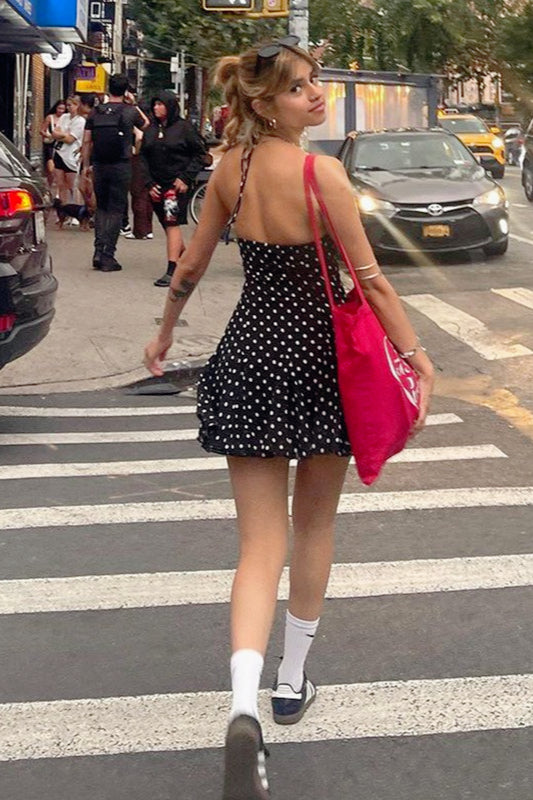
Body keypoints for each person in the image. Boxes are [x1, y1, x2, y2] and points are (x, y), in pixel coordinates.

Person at [143, 37, 434, 799]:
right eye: (300, 87)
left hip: (249, 355)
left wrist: (165, 333)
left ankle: (242, 705)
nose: (315, 95)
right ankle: (290, 681)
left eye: (314, 83)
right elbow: (369, 282)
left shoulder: (229, 173)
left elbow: (191, 265)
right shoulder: (320, 174)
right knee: (313, 527)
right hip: (321, 362)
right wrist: (416, 357)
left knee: (256, 544)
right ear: (265, 103)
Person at [139, 90, 208, 286]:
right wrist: (148, 182)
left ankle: (173, 268)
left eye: (160, 104)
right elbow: (143, 156)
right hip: (156, 184)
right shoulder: (151, 130)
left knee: (172, 222)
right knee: (166, 223)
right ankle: (186, 258)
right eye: (155, 104)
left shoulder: (184, 128)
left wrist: (186, 177)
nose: (156, 108)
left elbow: (200, 154)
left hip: (176, 186)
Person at [81, 74, 147, 273]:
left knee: (101, 208)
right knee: (116, 210)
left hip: (100, 165)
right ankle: (108, 255)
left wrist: (86, 166)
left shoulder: (95, 112)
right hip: (121, 164)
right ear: (125, 91)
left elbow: (86, 141)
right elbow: (145, 126)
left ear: (109, 88)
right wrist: (133, 104)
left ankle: (97, 251)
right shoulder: (129, 111)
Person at [50, 96, 85, 205]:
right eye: (67, 105)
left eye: (70, 105)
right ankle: (64, 208)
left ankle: (75, 207)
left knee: (72, 185)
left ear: (77, 105)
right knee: (60, 184)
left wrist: (61, 135)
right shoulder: (64, 117)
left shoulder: (80, 121)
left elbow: (70, 139)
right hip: (59, 153)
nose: (68, 107)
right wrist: (64, 134)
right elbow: (54, 133)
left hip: (71, 155)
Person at [40, 99, 66, 191]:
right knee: (50, 167)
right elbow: (41, 130)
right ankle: (50, 184)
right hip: (50, 144)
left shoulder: (66, 119)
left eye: (63, 109)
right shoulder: (50, 117)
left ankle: (56, 185)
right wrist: (48, 135)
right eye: (59, 108)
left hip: (60, 144)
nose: (61, 111)